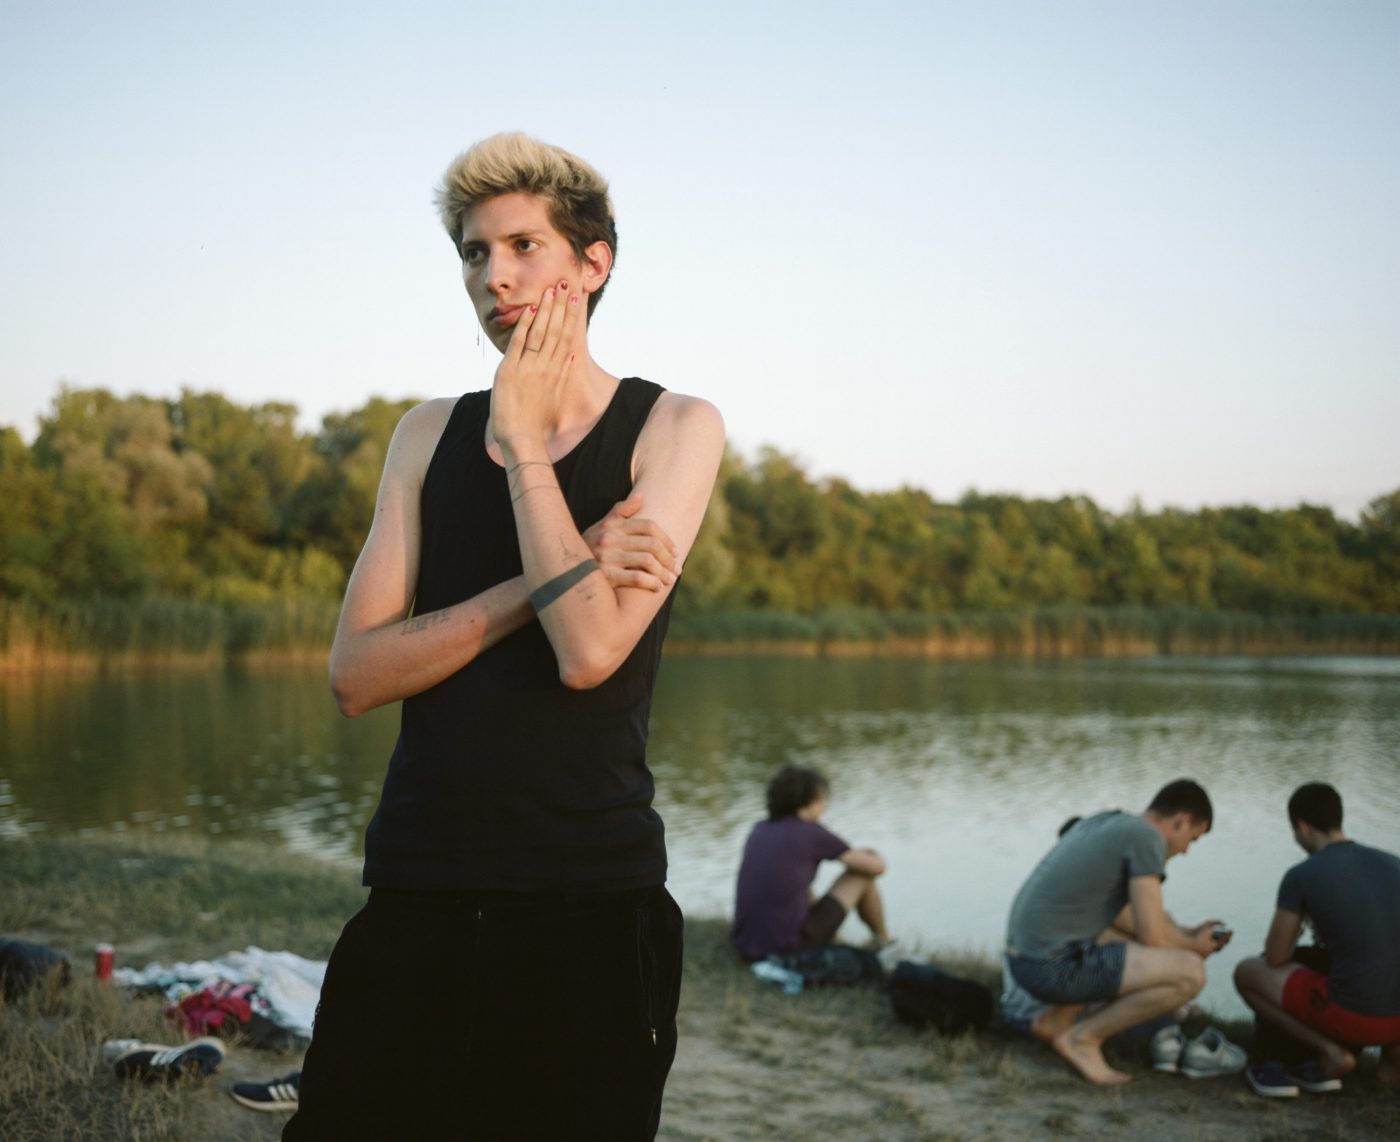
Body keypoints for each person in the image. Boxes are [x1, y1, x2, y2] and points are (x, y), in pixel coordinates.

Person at [284, 132, 725, 1140]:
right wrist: (545, 579)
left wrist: (524, 441)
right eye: (475, 254)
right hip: (417, 888)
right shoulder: (426, 433)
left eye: (525, 246)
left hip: (589, 903)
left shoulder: (673, 426)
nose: (495, 276)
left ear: (593, 263)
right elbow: (356, 673)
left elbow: (590, 651)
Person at [1004, 779, 1233, 1085]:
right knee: (1190, 973)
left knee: (1128, 942)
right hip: (1051, 968)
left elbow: (1135, 919)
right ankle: (1082, 1039)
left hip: (1027, 959)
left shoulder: (1107, 822)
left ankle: (1057, 1020)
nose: (1186, 850)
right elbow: (1152, 937)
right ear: (1182, 821)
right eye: (1193, 838)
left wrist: (1190, 934)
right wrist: (1195, 948)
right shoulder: (1147, 839)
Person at [1233, 783, 1400, 1097]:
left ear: (1303, 827)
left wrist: (1300, 923)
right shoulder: (1393, 863)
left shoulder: (1302, 875)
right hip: (1396, 1020)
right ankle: (1391, 1061)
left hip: (1356, 1018)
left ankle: (1331, 1052)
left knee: (1248, 972)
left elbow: (1276, 957)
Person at [731, 764, 891, 963]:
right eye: (820, 800)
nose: (824, 806)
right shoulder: (810, 832)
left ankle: (837, 940)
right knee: (861, 877)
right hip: (788, 948)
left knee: (801, 884)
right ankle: (886, 943)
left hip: (746, 945)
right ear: (804, 803)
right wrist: (873, 854)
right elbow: (877, 868)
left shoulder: (760, 829)